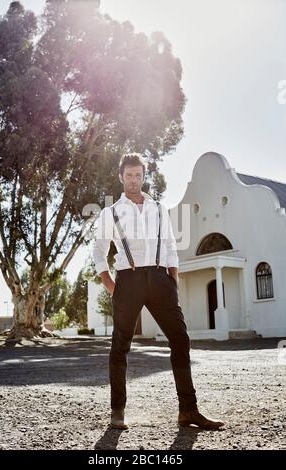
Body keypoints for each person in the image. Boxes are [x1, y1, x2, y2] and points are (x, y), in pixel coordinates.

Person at [93, 153, 224, 430]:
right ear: (121, 176)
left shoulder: (158, 208)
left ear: (144, 176)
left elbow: (169, 246)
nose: (133, 180)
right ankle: (118, 411)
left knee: (180, 339)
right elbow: (99, 254)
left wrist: (172, 280)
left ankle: (188, 410)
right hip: (127, 280)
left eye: (138, 175)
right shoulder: (111, 212)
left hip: (160, 277)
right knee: (120, 346)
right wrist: (113, 287)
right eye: (128, 175)